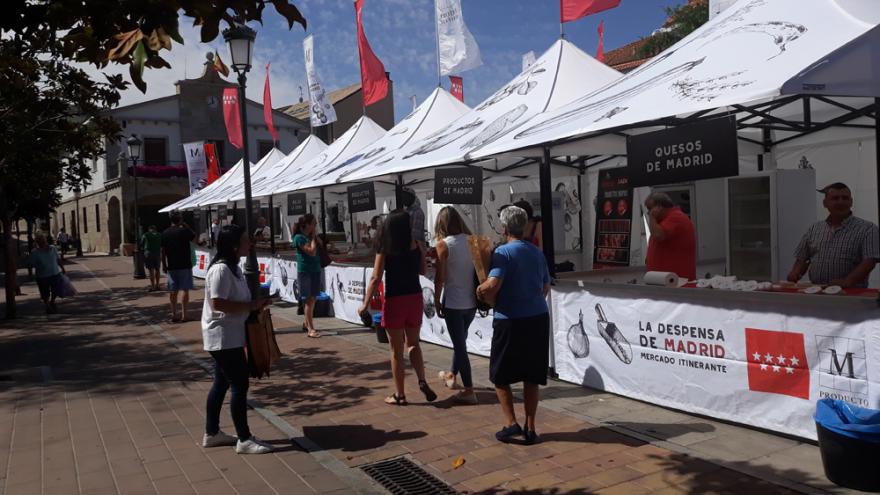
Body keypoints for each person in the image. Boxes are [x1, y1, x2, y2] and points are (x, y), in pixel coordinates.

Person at [476, 206, 550, 445]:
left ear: (504, 228)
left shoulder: (503, 252)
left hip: (510, 318)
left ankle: (511, 423)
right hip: (537, 317)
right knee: (531, 375)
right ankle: (530, 427)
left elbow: (492, 283)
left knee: (499, 374)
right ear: (525, 226)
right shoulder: (537, 252)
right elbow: (545, 288)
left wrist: (480, 290)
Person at [201, 224, 274, 454]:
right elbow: (218, 303)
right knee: (239, 384)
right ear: (234, 246)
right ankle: (244, 439)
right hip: (222, 337)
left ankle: (212, 433)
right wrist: (251, 305)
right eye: (245, 240)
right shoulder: (221, 270)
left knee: (221, 383)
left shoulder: (235, 268)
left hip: (231, 334)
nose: (249, 244)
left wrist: (257, 303)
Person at [359, 210, 437, 406]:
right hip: (415, 297)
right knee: (414, 343)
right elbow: (423, 271)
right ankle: (422, 380)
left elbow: (376, 277)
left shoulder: (386, 247)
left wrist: (366, 303)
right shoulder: (416, 245)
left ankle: (400, 394)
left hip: (395, 300)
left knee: (396, 350)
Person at [788, 183, 879, 288]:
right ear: (825, 203)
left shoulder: (868, 229)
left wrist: (848, 281)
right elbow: (802, 257)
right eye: (835, 198)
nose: (841, 202)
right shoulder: (814, 228)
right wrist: (795, 272)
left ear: (851, 202)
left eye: (845, 198)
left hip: (849, 294)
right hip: (817, 292)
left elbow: (870, 261)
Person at [433, 207, 478, 405]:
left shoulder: (443, 245)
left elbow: (440, 278)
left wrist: (436, 300)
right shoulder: (473, 241)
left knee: (460, 346)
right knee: (460, 342)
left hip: (453, 302)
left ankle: (469, 390)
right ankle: (451, 375)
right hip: (472, 301)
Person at [644, 192, 697, 281]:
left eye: (650, 209)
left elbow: (658, 235)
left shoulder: (676, 217)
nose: (648, 212)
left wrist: (652, 217)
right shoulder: (662, 221)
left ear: (659, 207)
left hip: (677, 281)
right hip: (664, 280)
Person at [161, 212, 196, 322]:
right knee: (185, 290)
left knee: (173, 290)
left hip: (172, 265)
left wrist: (164, 264)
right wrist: (186, 226)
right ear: (180, 220)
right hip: (185, 264)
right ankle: (184, 315)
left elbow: (163, 251)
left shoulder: (165, 233)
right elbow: (194, 238)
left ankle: (174, 314)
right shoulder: (184, 231)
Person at [292, 214, 322, 338]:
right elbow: (311, 251)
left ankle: (306, 323)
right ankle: (311, 329)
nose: (315, 226)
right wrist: (314, 238)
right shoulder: (299, 238)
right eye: (314, 223)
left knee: (313, 298)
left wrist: (315, 237)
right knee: (309, 300)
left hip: (315, 269)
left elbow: (320, 245)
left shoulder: (309, 236)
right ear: (307, 225)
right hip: (305, 271)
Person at [26, 231, 65, 314]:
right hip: (42, 276)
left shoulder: (53, 248)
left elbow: (58, 259)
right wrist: (30, 274)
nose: (42, 242)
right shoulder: (35, 252)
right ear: (37, 242)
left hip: (55, 273)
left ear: (46, 240)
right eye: (39, 240)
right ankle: (48, 307)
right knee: (45, 292)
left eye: (43, 239)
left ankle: (52, 301)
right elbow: (30, 264)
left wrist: (62, 268)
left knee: (56, 290)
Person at [141, 225, 162, 291]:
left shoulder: (146, 234)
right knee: (157, 269)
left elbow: (141, 243)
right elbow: (162, 244)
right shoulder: (159, 235)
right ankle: (158, 285)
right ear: (155, 229)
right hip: (157, 253)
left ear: (149, 229)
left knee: (151, 270)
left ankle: (153, 286)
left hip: (149, 253)